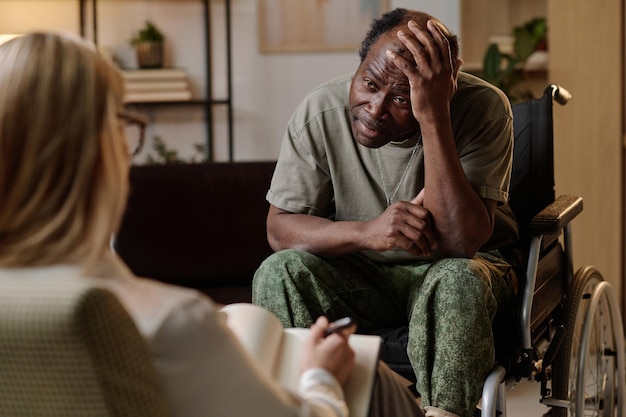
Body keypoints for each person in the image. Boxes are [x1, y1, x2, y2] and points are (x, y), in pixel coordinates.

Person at [0, 32, 422, 417]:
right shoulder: (171, 322)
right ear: (99, 155)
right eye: (123, 124)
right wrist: (321, 376)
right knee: (376, 383)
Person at [252, 8, 519, 417]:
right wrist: (367, 233)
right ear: (358, 64)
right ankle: (309, 406)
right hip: (364, 278)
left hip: (463, 269)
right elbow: (279, 229)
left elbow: (461, 243)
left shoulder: (483, 108)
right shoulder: (320, 112)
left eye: (400, 98)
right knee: (278, 271)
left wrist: (434, 115)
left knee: (456, 280)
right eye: (369, 83)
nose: (374, 109)